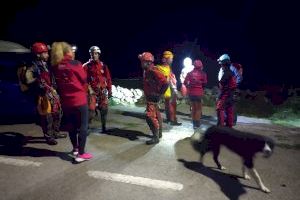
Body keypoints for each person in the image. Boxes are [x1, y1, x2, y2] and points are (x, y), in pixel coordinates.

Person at [51, 42, 92, 163]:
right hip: (79, 99)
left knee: (71, 126)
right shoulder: (75, 63)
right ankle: (81, 154)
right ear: (67, 52)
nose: (73, 52)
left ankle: (75, 149)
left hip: (66, 101)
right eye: (71, 50)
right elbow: (84, 79)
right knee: (83, 126)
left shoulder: (56, 66)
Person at [25, 42, 65, 145]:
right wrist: (37, 81)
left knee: (58, 113)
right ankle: (49, 136)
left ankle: (55, 132)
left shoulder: (45, 65)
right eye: (45, 53)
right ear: (38, 54)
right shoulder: (33, 66)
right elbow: (28, 80)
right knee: (47, 117)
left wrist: (54, 86)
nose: (47, 55)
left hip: (51, 92)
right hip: (42, 95)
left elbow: (51, 77)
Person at [138, 52, 169, 145]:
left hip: (153, 97)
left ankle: (155, 137)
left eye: (142, 61)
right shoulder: (147, 71)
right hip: (151, 96)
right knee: (156, 114)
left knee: (149, 116)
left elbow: (166, 83)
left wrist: (159, 94)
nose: (141, 63)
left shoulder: (153, 71)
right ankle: (159, 134)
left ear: (148, 62)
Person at [83, 46, 112, 133]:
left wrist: (109, 90)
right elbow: (83, 80)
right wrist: (88, 89)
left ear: (99, 54)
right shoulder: (86, 66)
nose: (93, 55)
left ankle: (104, 127)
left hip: (102, 92)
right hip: (92, 92)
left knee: (104, 109)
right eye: (92, 53)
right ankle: (86, 127)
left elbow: (108, 78)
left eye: (95, 53)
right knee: (90, 110)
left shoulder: (103, 66)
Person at [156, 51, 182, 126]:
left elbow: (171, 78)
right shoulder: (159, 68)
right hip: (166, 89)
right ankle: (172, 120)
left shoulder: (167, 68)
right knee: (171, 105)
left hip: (168, 89)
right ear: (165, 59)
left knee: (168, 105)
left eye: (171, 58)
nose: (172, 60)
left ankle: (170, 119)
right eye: (170, 58)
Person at [217, 54, 243, 125]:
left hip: (229, 90)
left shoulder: (231, 68)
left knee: (228, 106)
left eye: (221, 62)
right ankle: (228, 122)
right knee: (227, 106)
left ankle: (231, 122)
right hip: (224, 89)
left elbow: (239, 78)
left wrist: (233, 86)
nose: (220, 63)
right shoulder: (223, 68)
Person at [184, 59, 207, 132]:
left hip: (191, 93)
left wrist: (189, 86)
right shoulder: (203, 74)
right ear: (201, 66)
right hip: (199, 93)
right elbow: (205, 83)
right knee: (198, 109)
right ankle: (197, 124)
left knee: (193, 108)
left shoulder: (190, 73)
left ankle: (194, 124)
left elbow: (185, 82)